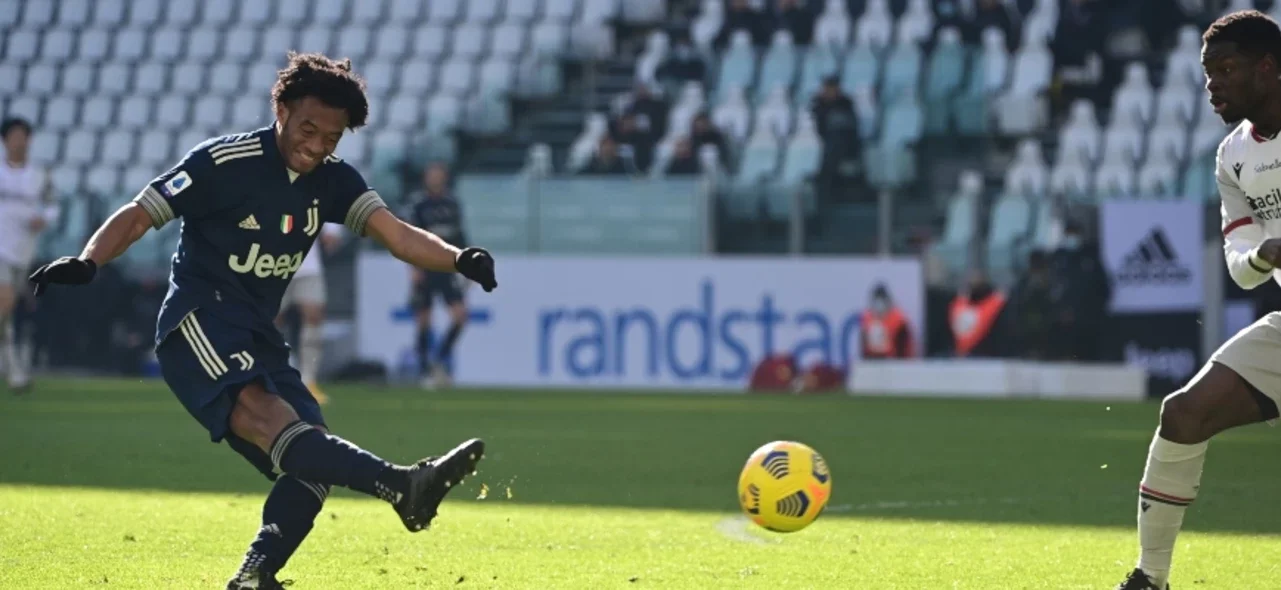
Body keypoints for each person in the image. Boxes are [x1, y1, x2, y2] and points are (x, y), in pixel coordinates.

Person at [27, 52, 499, 590]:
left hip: (257, 334)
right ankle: (402, 485)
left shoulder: (334, 180)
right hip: (198, 322)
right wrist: (90, 260)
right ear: (282, 109)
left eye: (332, 138)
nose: (317, 145)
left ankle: (256, 576)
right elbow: (140, 213)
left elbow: (395, 234)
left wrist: (458, 257)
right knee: (281, 424)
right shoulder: (224, 163)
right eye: (309, 129)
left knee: (315, 456)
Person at [1117, 11, 1281, 590]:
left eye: (1227, 70)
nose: (1214, 86)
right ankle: (1150, 578)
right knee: (1183, 413)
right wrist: (1267, 254)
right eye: (1209, 74)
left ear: (1268, 68)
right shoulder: (1232, 156)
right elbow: (1242, 268)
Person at [0, 117, 57, 393]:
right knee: (5, 306)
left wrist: (42, 220)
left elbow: (52, 207)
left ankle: (13, 371)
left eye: (22, 135)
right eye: (13, 135)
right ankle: (15, 373)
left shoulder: (39, 176)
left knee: (6, 315)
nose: (18, 141)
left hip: (22, 252)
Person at [406, 163, 470, 389]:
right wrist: (414, 268)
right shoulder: (419, 205)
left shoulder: (452, 204)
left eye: (439, 175)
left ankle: (439, 359)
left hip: (447, 266)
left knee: (460, 316)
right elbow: (409, 239)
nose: (435, 179)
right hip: (425, 265)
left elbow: (460, 237)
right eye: (431, 175)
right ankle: (424, 370)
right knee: (424, 319)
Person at [276, 222, 343, 404]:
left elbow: (326, 207)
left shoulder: (310, 192)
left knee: (314, 315)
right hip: (270, 265)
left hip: (308, 265)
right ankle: (280, 375)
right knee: (271, 321)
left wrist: (332, 231)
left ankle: (308, 381)